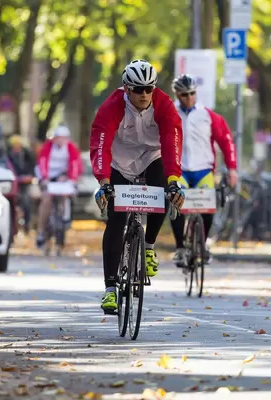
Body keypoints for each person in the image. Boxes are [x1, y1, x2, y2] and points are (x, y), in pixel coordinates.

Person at [90, 59, 186, 313]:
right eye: (138, 89)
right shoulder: (111, 107)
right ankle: (110, 288)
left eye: (149, 89)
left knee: (166, 191)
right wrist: (104, 181)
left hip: (152, 158)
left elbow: (171, 141)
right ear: (126, 89)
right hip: (120, 163)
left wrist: (174, 180)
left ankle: (149, 246)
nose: (144, 95)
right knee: (116, 220)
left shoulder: (164, 105)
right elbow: (100, 144)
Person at [169, 74, 238, 266]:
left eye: (192, 93)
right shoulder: (168, 114)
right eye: (184, 94)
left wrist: (232, 169)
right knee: (177, 204)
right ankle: (180, 247)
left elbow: (226, 142)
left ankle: (203, 243)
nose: (189, 98)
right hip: (179, 169)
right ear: (176, 94)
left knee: (208, 207)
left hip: (203, 170)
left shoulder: (209, 115)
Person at [35, 125, 82, 248]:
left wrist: (72, 179)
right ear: (54, 139)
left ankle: (65, 217)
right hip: (48, 178)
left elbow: (76, 165)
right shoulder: (47, 147)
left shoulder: (71, 148)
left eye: (63, 138)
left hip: (63, 179)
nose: (61, 141)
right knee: (46, 200)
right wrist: (44, 179)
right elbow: (42, 163)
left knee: (67, 195)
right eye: (58, 138)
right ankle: (40, 231)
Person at [8, 135, 36, 235]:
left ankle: (27, 224)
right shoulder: (9, 156)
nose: (16, 147)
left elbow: (32, 167)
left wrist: (30, 176)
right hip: (14, 182)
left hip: (26, 183)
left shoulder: (27, 154)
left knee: (26, 202)